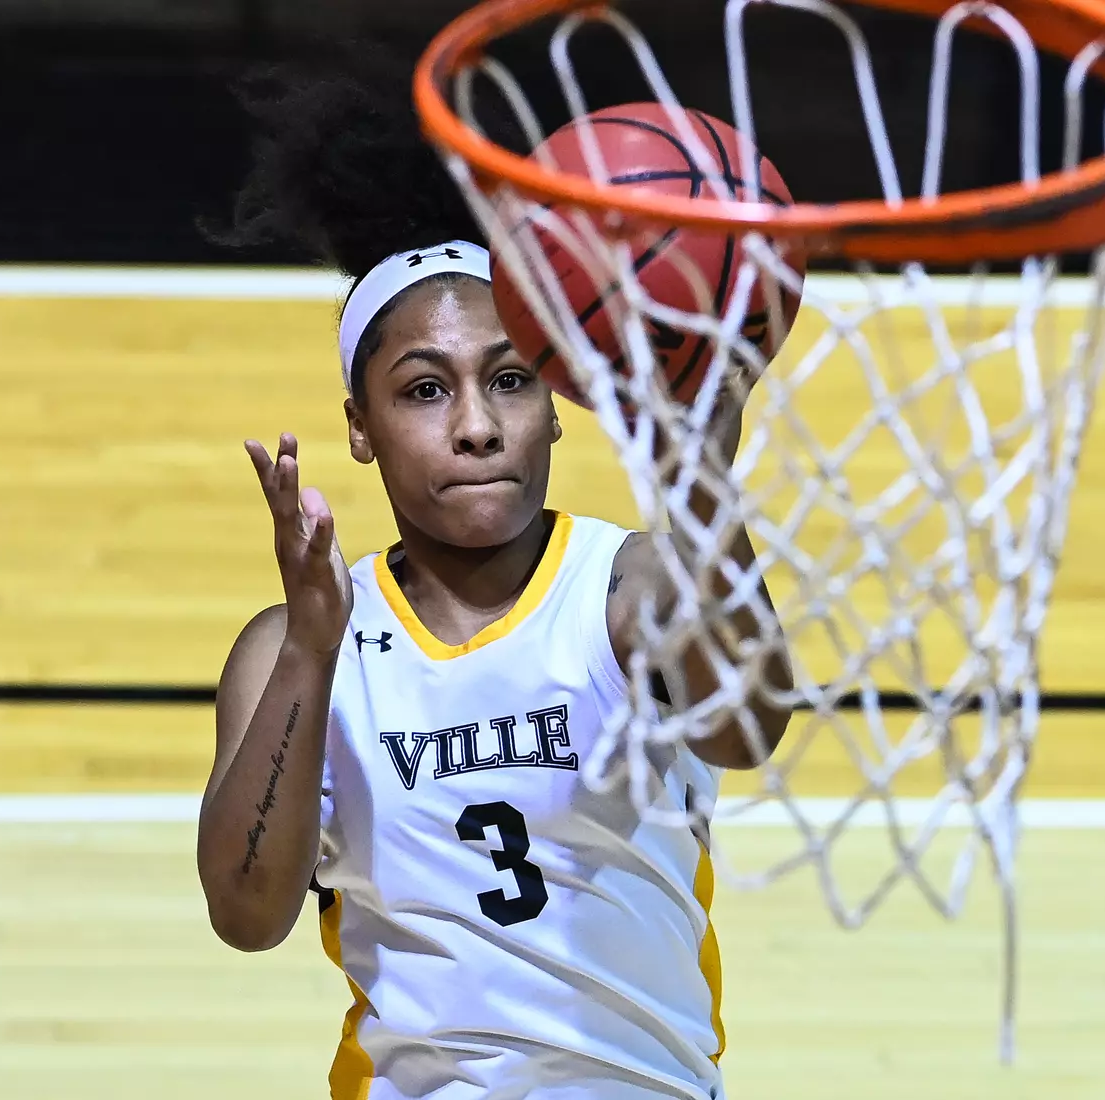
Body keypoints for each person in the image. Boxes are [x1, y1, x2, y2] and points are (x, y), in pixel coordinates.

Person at [196, 66, 793, 1100]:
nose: (474, 422)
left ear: (556, 399)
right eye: (424, 389)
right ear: (359, 427)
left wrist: (698, 479)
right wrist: (306, 647)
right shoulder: (297, 644)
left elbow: (749, 727)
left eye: (509, 378)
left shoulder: (629, 588)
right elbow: (247, 914)